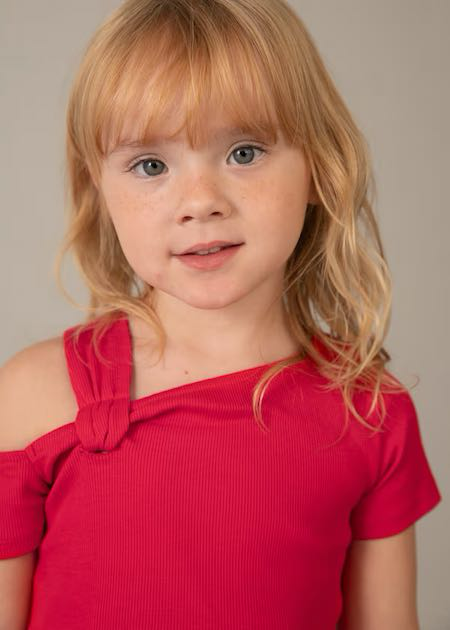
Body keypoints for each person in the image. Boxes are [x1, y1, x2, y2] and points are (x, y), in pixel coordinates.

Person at [0, 0, 442, 628]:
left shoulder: (369, 411)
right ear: (98, 186)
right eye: (151, 165)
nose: (200, 201)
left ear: (320, 165)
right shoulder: (33, 398)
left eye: (244, 152)